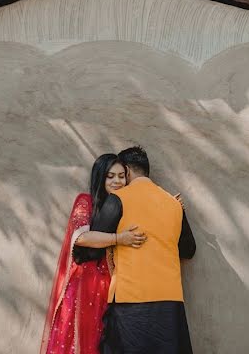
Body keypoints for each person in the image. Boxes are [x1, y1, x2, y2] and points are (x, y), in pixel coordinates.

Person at [83, 146, 196, 354]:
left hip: (130, 300)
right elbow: (188, 250)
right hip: (170, 301)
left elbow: (91, 248)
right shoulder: (174, 203)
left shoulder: (118, 199)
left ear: (126, 170)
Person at [41, 153, 148, 354]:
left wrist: (171, 206)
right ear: (100, 177)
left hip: (113, 287)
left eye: (121, 176)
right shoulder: (86, 202)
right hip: (84, 285)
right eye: (110, 176)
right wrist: (119, 239)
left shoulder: (126, 206)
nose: (117, 181)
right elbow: (82, 238)